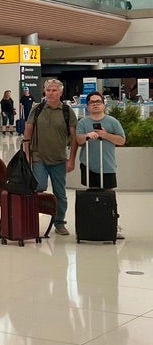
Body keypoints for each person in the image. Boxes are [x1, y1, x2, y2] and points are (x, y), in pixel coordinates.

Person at [23, 78, 77, 236]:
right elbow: (28, 133)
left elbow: (74, 138)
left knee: (60, 193)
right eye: (48, 90)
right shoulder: (37, 109)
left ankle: (59, 223)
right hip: (39, 157)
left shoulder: (67, 111)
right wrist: (27, 156)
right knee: (38, 188)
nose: (51, 93)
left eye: (54, 90)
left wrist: (71, 159)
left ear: (60, 92)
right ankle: (32, 219)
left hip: (59, 159)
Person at [69, 91, 126, 239]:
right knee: (92, 194)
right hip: (89, 165)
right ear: (87, 106)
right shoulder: (82, 123)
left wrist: (104, 135)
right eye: (92, 102)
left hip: (107, 165)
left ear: (103, 104)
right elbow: (79, 140)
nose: (95, 104)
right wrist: (87, 135)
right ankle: (92, 224)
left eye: (98, 102)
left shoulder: (112, 122)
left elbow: (121, 140)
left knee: (109, 195)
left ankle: (113, 223)